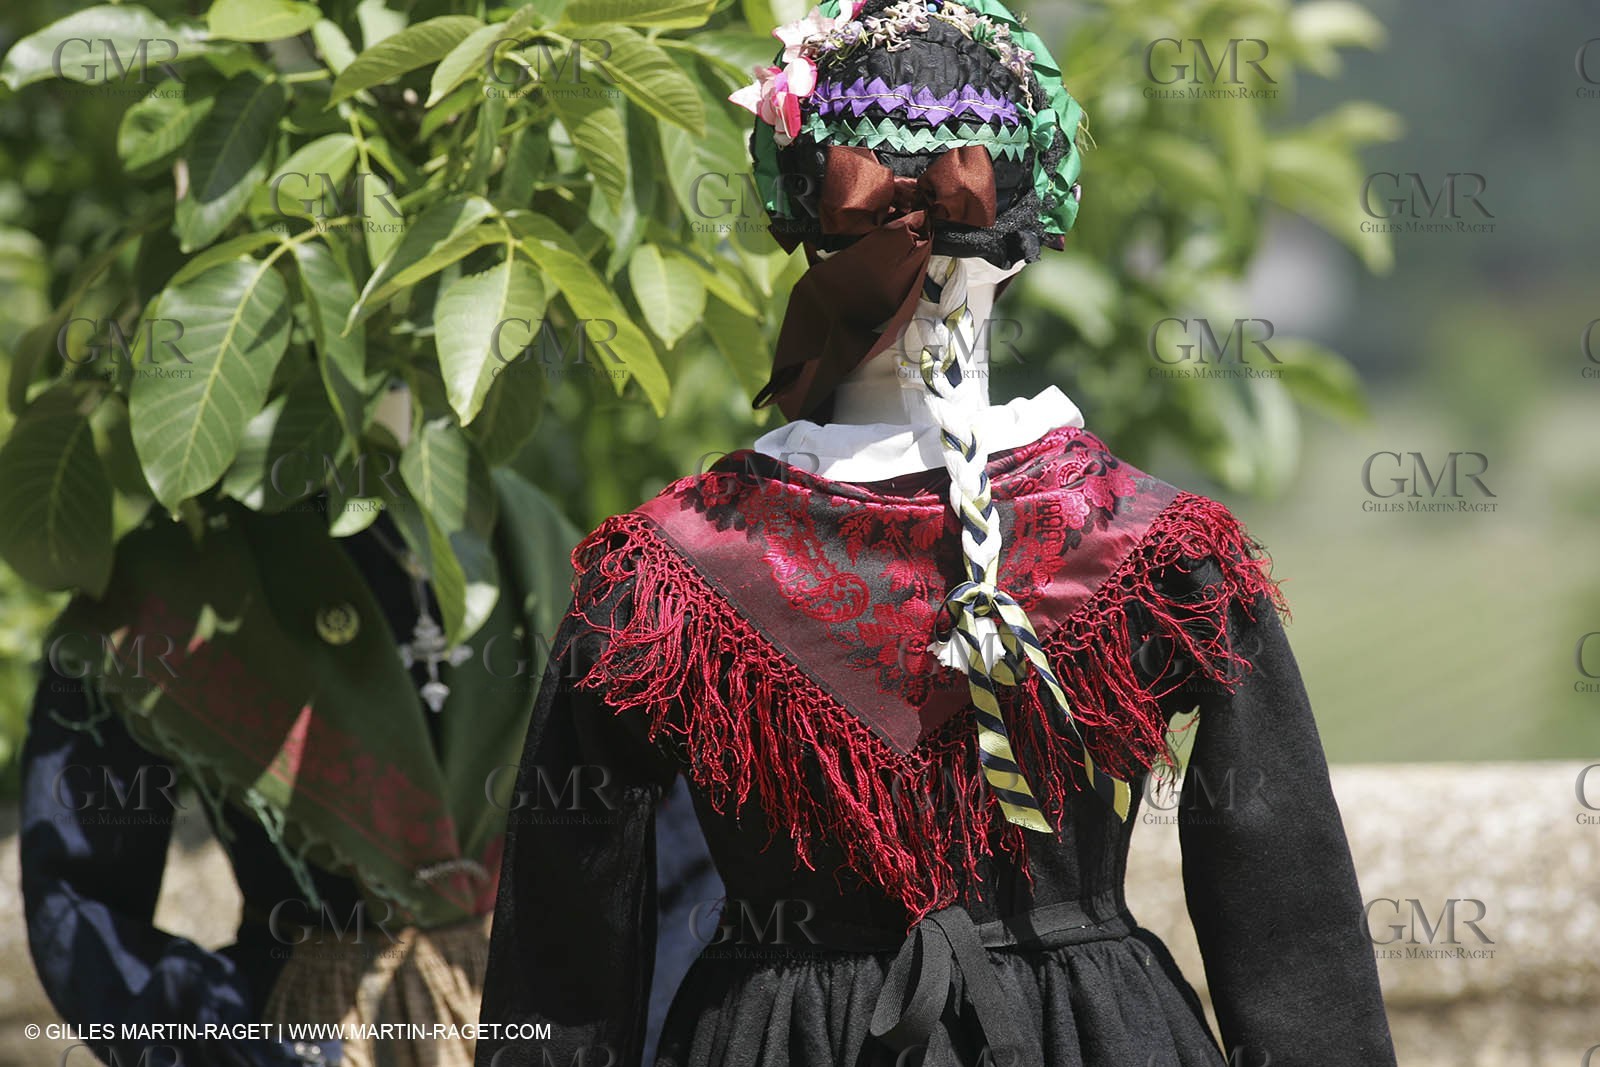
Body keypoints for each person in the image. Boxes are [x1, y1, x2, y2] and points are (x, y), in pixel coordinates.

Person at [475, 1, 1399, 1064]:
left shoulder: (660, 576)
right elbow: (1293, 939)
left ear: (798, 220)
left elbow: (558, 978)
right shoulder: (1165, 552)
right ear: (1032, 227)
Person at [22, 391, 719, 1067]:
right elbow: (80, 901)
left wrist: (624, 1031)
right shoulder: (174, 579)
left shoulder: (541, 545)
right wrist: (237, 1047)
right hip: (301, 1028)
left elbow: (674, 847)